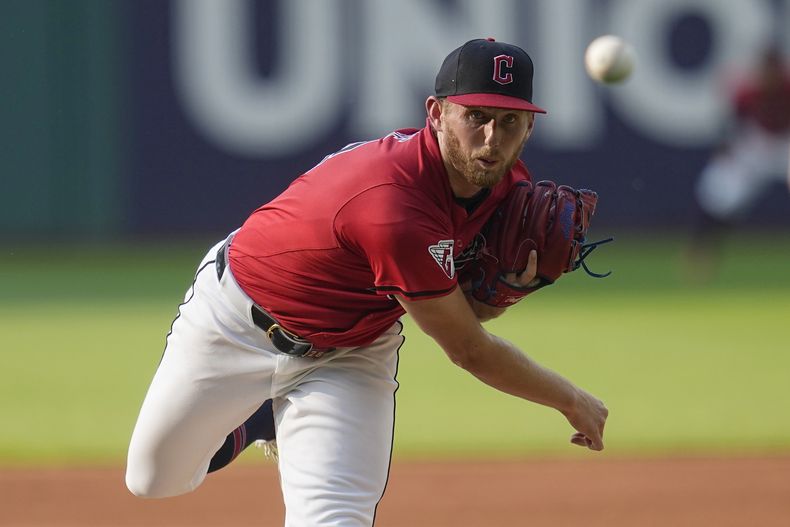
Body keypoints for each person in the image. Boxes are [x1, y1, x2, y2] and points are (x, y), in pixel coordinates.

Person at [125, 38, 609, 526]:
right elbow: (468, 349)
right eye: (476, 116)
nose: (491, 138)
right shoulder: (393, 204)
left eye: (509, 121)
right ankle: (260, 420)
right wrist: (570, 399)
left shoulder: (506, 189)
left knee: (335, 518)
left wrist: (506, 289)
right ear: (437, 114)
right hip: (236, 320)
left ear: (529, 127)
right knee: (154, 479)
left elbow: (465, 309)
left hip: (352, 351)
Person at [687, 44, 790, 280]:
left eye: (773, 69)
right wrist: (726, 150)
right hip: (758, 142)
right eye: (766, 69)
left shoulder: (787, 86)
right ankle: (702, 252)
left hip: (786, 140)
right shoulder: (748, 90)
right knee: (720, 188)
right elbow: (732, 124)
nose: (769, 75)